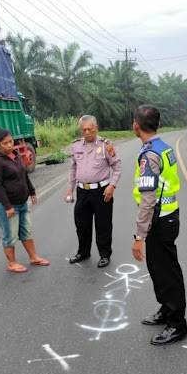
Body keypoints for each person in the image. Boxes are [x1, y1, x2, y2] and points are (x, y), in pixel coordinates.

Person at [131, 105, 187, 346]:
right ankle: (166, 310)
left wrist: (139, 236)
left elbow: (147, 199)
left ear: (136, 126)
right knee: (159, 269)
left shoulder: (150, 155)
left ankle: (177, 324)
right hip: (167, 216)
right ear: (159, 125)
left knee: (167, 273)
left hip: (160, 219)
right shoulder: (162, 148)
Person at [0, 128, 50, 273]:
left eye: (11, 141)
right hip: (7, 206)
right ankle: (12, 263)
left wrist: (32, 191)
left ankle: (33, 257)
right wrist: (8, 206)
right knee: (10, 235)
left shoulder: (14, 155)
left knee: (26, 231)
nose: (9, 145)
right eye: (5, 143)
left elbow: (23, 175)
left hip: (22, 203)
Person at [65, 114, 122, 268]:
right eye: (84, 130)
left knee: (103, 225)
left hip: (102, 191)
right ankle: (83, 252)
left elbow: (117, 167)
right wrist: (69, 190)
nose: (87, 133)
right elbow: (73, 168)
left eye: (90, 129)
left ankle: (104, 254)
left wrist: (112, 185)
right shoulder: (76, 146)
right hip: (82, 191)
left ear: (96, 128)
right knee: (82, 224)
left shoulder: (106, 145)